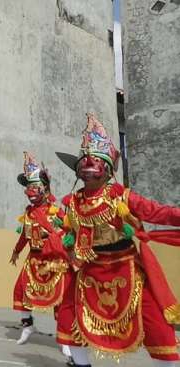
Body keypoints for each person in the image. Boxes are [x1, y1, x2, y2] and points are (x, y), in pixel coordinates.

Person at [55, 113, 180, 367]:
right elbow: (67, 236)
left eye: (94, 167)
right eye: (83, 167)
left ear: (107, 170)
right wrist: (68, 249)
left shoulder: (121, 197)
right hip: (89, 272)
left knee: (156, 322)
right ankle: (81, 364)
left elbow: (158, 212)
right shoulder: (72, 203)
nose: (87, 172)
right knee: (68, 318)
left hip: (126, 268)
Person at [10, 152, 70, 347]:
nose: (31, 191)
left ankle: (66, 341)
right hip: (33, 260)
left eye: (35, 187)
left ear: (45, 189)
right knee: (21, 291)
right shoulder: (28, 213)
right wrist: (17, 250)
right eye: (28, 187)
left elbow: (70, 230)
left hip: (55, 261)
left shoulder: (56, 211)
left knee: (61, 301)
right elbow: (24, 235)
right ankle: (27, 325)